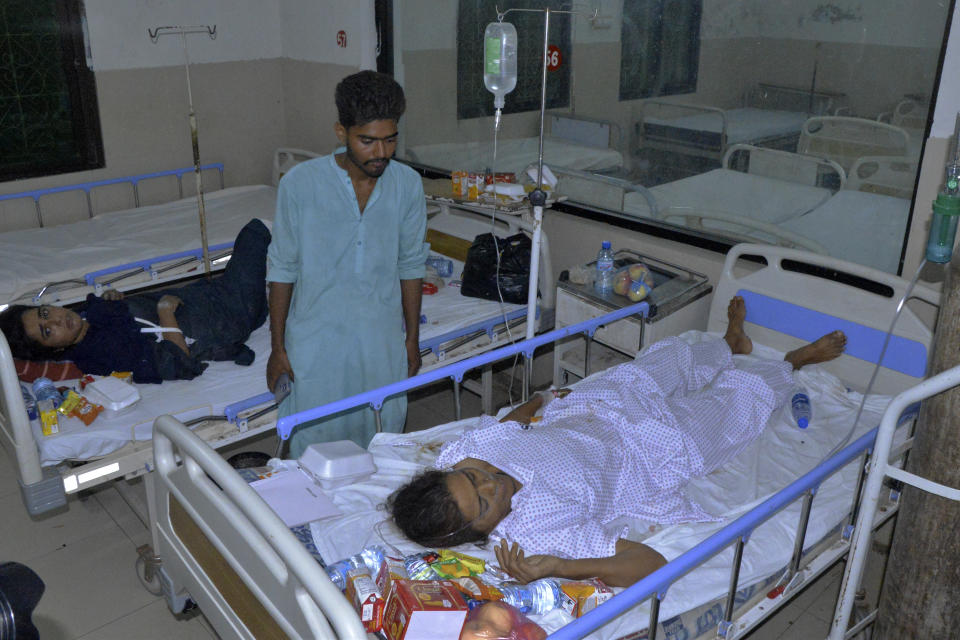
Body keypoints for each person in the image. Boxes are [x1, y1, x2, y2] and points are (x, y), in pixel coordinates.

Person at [387, 296, 848, 587]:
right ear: (478, 534)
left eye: (475, 479)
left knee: (669, 358)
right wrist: (563, 569)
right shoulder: (536, 537)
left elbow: (510, 422)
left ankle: (729, 344)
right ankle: (792, 362)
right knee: (737, 405)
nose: (492, 483)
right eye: (485, 504)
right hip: (657, 452)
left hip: (597, 407)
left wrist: (545, 398)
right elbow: (649, 565)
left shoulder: (461, 457)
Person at [265, 70, 429, 455]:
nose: (382, 153)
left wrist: (411, 340)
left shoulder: (406, 185)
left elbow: (410, 264)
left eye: (391, 140)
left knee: (382, 441)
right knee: (313, 444)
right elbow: (282, 268)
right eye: (368, 141)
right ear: (341, 133)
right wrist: (277, 347)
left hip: (379, 339)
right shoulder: (300, 185)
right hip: (315, 342)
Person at [0, 219, 270, 383]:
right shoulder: (105, 353)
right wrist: (166, 313)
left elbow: (123, 321)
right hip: (229, 314)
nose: (58, 319)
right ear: (53, 351)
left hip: (212, 297)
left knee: (277, 272)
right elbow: (179, 363)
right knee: (257, 232)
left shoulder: (88, 318)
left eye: (45, 313)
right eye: (48, 331)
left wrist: (112, 302)